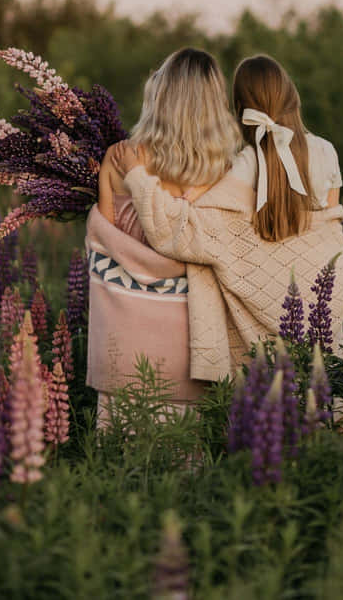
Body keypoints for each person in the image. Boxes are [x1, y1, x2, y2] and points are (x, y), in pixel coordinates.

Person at [113, 54, 343, 377]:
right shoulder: (327, 150)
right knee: (318, 403)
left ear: (240, 109)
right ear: (292, 97)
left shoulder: (246, 163)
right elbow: (327, 232)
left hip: (275, 308)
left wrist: (139, 176)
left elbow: (185, 230)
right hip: (322, 298)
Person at [87, 47, 241, 425]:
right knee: (186, 477)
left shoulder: (120, 157)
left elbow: (104, 249)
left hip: (121, 348)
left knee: (118, 469)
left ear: (160, 96)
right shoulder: (225, 171)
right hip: (191, 351)